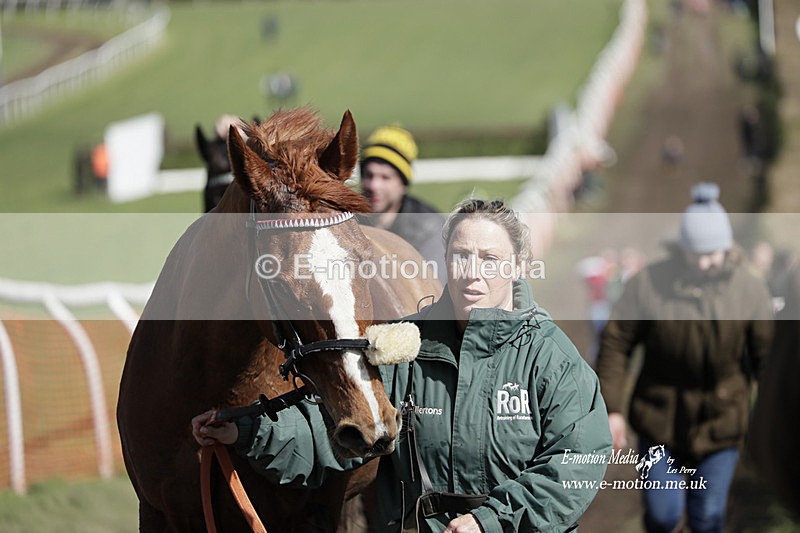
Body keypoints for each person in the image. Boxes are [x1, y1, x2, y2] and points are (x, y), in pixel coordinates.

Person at [193, 198, 613, 532]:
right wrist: (247, 431)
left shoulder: (553, 359)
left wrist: (491, 523)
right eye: (461, 255)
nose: (472, 272)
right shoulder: (402, 344)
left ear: (518, 265)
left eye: (489, 259)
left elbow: (577, 463)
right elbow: (338, 426)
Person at [595, 183, 774, 533]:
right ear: (683, 248)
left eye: (713, 254)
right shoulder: (649, 284)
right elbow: (616, 342)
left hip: (722, 423)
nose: (705, 263)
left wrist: (768, 418)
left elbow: (767, 358)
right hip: (658, 420)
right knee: (662, 516)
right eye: (697, 254)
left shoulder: (749, 292)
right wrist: (612, 408)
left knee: (708, 517)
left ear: (727, 249)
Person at [358, 124, 447, 279]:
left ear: (403, 185)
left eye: (386, 177)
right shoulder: (347, 220)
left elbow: (434, 291)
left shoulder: (430, 229)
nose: (374, 185)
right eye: (369, 175)